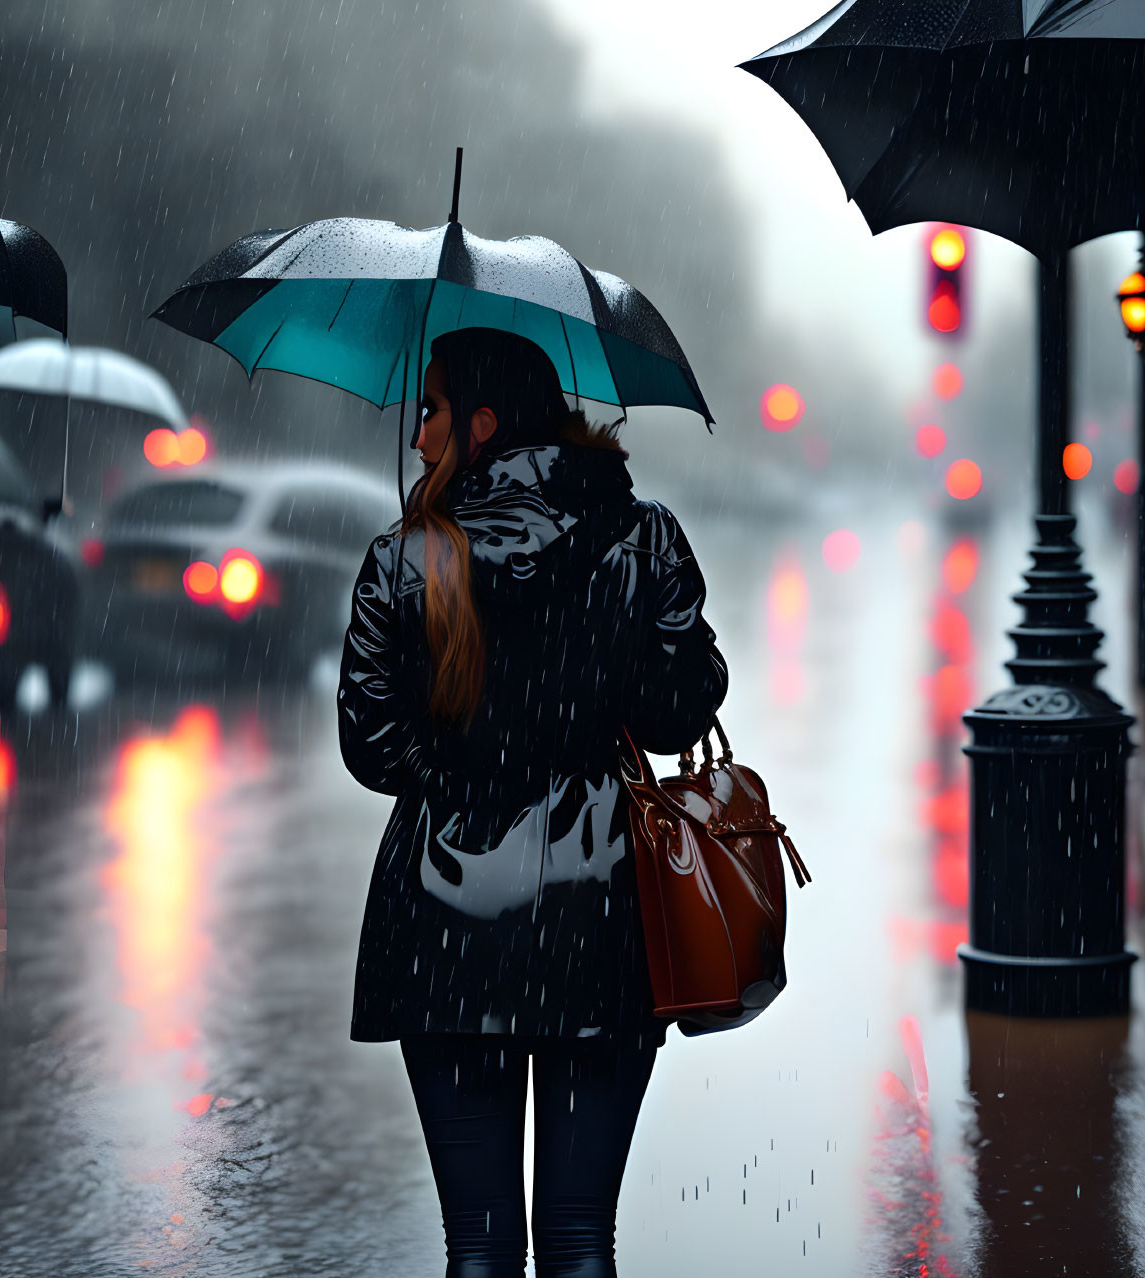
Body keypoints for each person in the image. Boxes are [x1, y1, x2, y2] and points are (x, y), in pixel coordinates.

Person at [337, 326, 728, 1278]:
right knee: (578, 1237)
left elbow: (370, 747)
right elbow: (681, 711)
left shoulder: (403, 560)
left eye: (429, 412)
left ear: (480, 423)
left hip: (442, 923)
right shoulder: (643, 537)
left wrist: (463, 772)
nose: (419, 436)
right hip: (599, 915)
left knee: (476, 1246)